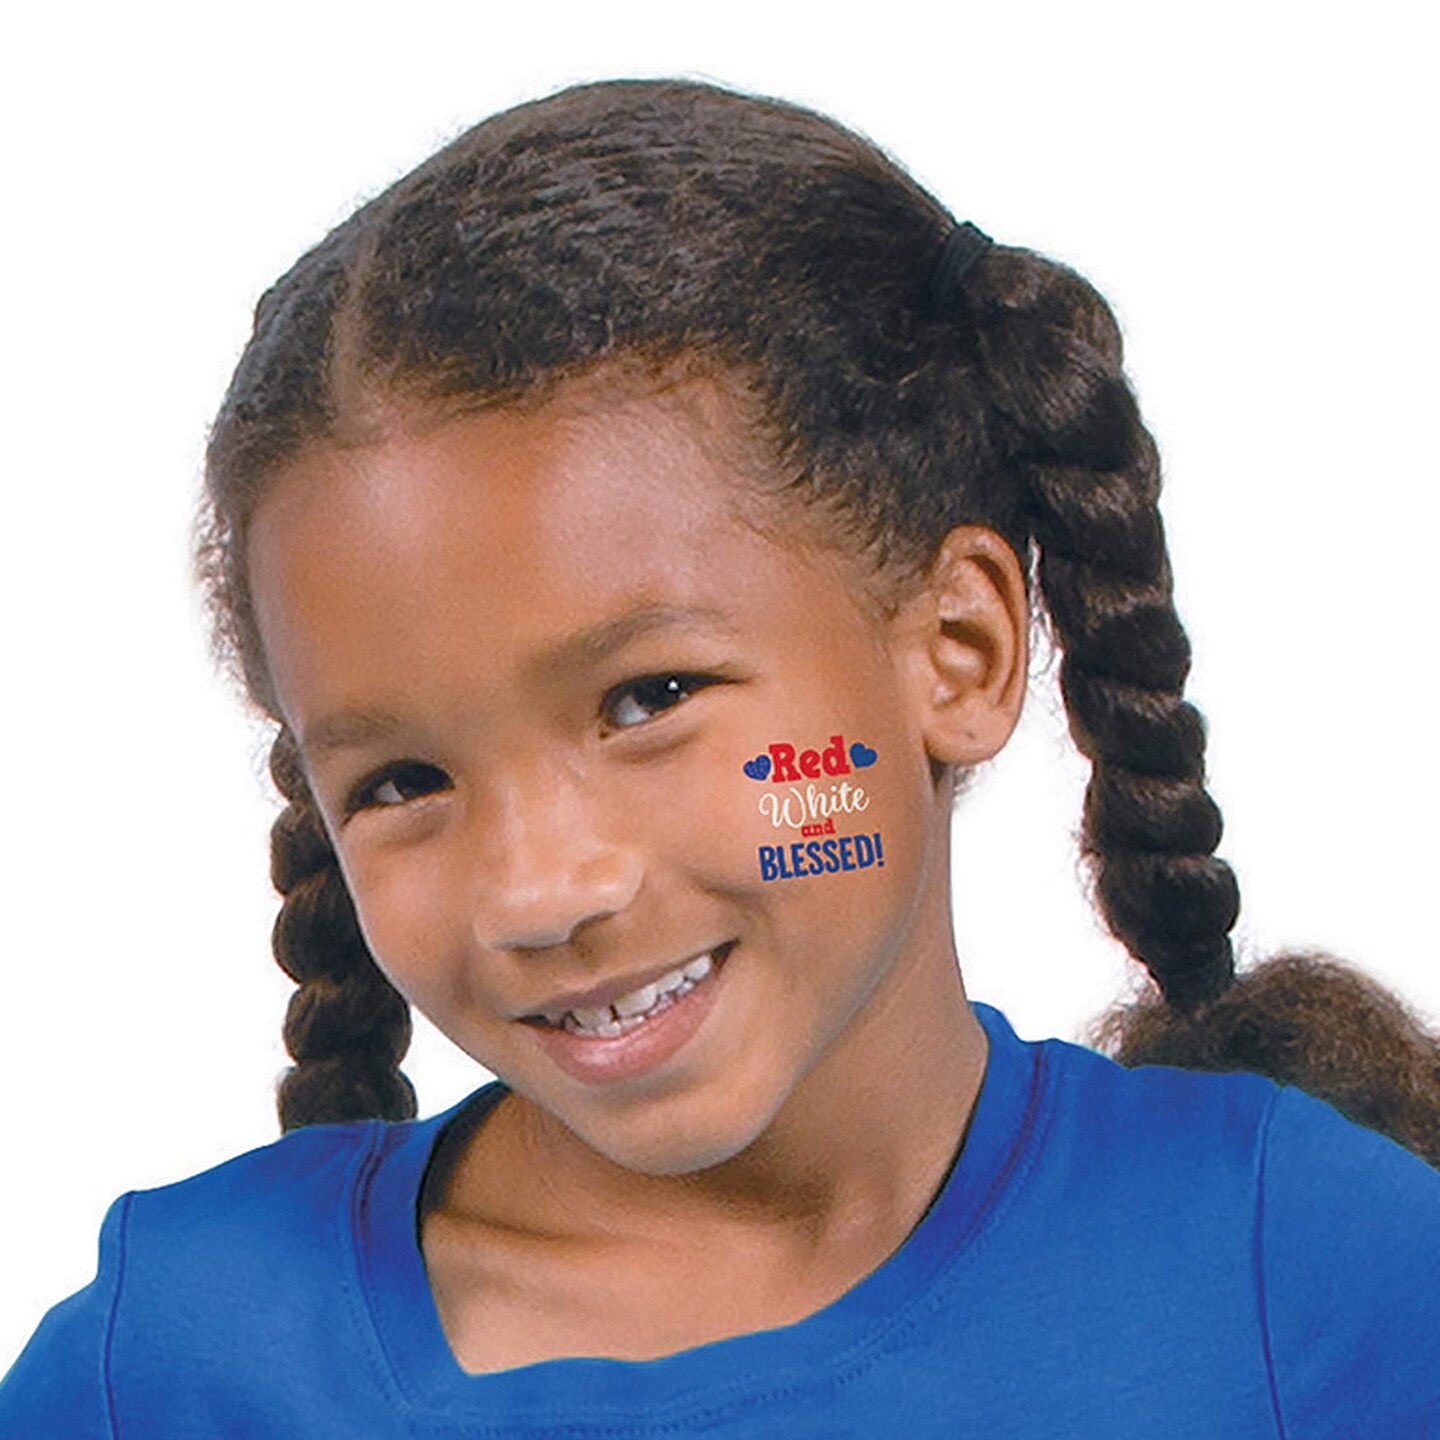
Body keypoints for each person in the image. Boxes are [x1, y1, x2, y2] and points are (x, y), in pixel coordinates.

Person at [3, 77, 1437, 1437]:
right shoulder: (165, 1366)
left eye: (650, 699)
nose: (536, 890)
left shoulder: (1314, 1276)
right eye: (402, 782)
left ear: (959, 651)